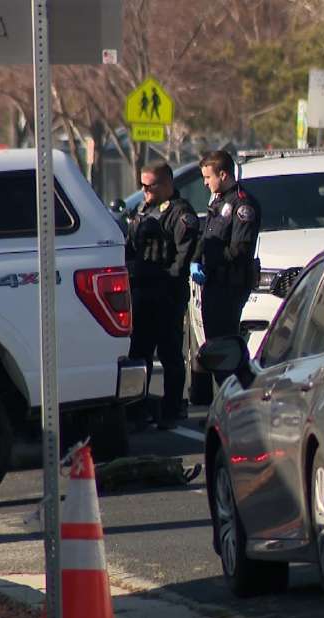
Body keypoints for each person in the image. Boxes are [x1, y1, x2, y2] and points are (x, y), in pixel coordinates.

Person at [126, 162, 200, 429]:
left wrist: (163, 280)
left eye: (150, 185)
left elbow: (183, 257)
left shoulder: (181, 214)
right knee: (139, 353)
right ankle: (138, 409)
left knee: (169, 353)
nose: (144, 191)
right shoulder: (143, 209)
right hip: (141, 293)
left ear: (167, 184)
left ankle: (171, 409)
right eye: (142, 185)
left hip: (166, 294)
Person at [191, 150, 261, 383]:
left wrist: (211, 260)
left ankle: (237, 394)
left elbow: (239, 249)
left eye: (208, 177)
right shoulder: (219, 200)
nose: (205, 182)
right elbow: (207, 235)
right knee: (215, 345)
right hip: (214, 283)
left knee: (225, 349)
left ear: (223, 174)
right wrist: (196, 261)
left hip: (230, 285)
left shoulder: (242, 204)